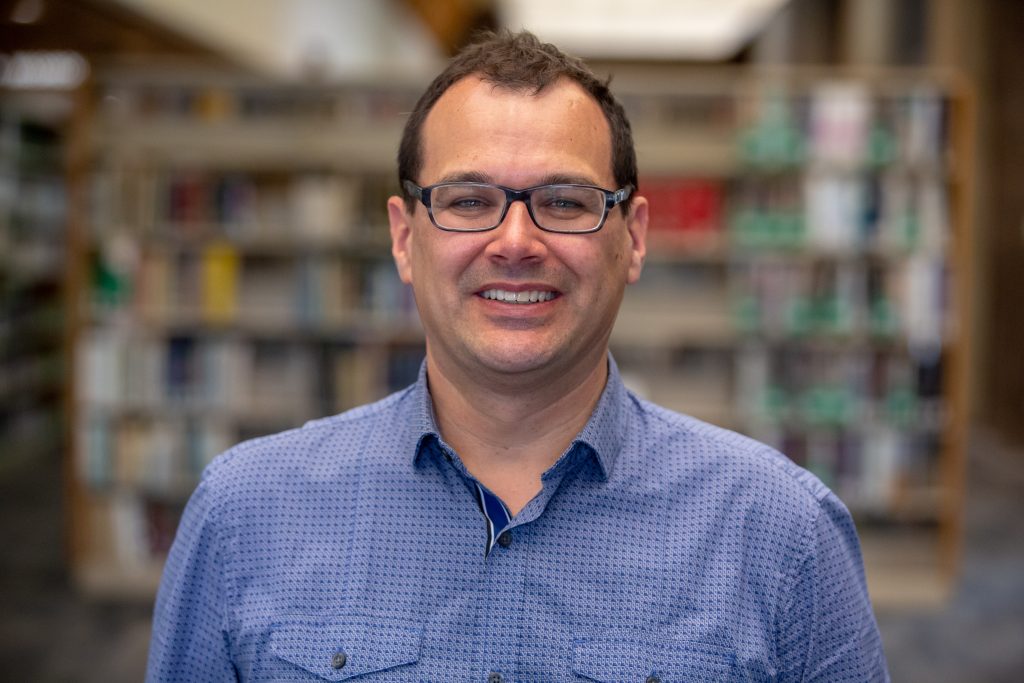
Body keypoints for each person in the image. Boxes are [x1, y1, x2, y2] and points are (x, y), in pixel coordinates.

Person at [146, 30, 889, 682]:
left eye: (565, 201)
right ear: (406, 239)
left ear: (632, 238)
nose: (515, 241)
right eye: (469, 200)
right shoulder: (243, 513)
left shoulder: (784, 534)